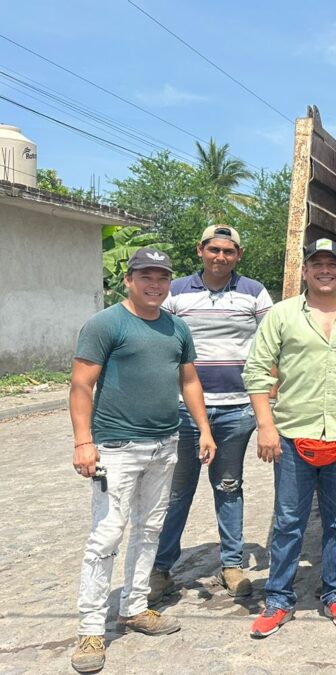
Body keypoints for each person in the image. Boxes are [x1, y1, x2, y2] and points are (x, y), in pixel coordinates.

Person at [69, 248, 216, 674]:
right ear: (129, 280)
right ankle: (91, 627)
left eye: (162, 277)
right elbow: (81, 385)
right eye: (146, 276)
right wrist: (83, 442)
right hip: (115, 447)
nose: (155, 284)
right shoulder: (105, 324)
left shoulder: (176, 327)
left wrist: (204, 429)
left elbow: (189, 380)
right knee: (107, 535)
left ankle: (134, 607)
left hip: (164, 443)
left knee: (150, 529)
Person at [242, 239, 336, 639]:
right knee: (288, 522)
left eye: (332, 264)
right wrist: (265, 426)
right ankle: (279, 599)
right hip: (290, 435)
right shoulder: (283, 315)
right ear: (304, 271)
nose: (324, 270)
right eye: (316, 264)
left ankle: (335, 593)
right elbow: (256, 372)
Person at [150, 225, 272, 603]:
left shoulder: (254, 292)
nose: (221, 256)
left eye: (229, 251)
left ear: (239, 254)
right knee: (178, 492)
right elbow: (159, 344)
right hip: (186, 412)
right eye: (214, 249)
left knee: (229, 487)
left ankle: (231, 564)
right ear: (200, 249)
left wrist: (268, 395)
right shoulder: (175, 293)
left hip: (237, 409)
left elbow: (271, 344)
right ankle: (161, 569)